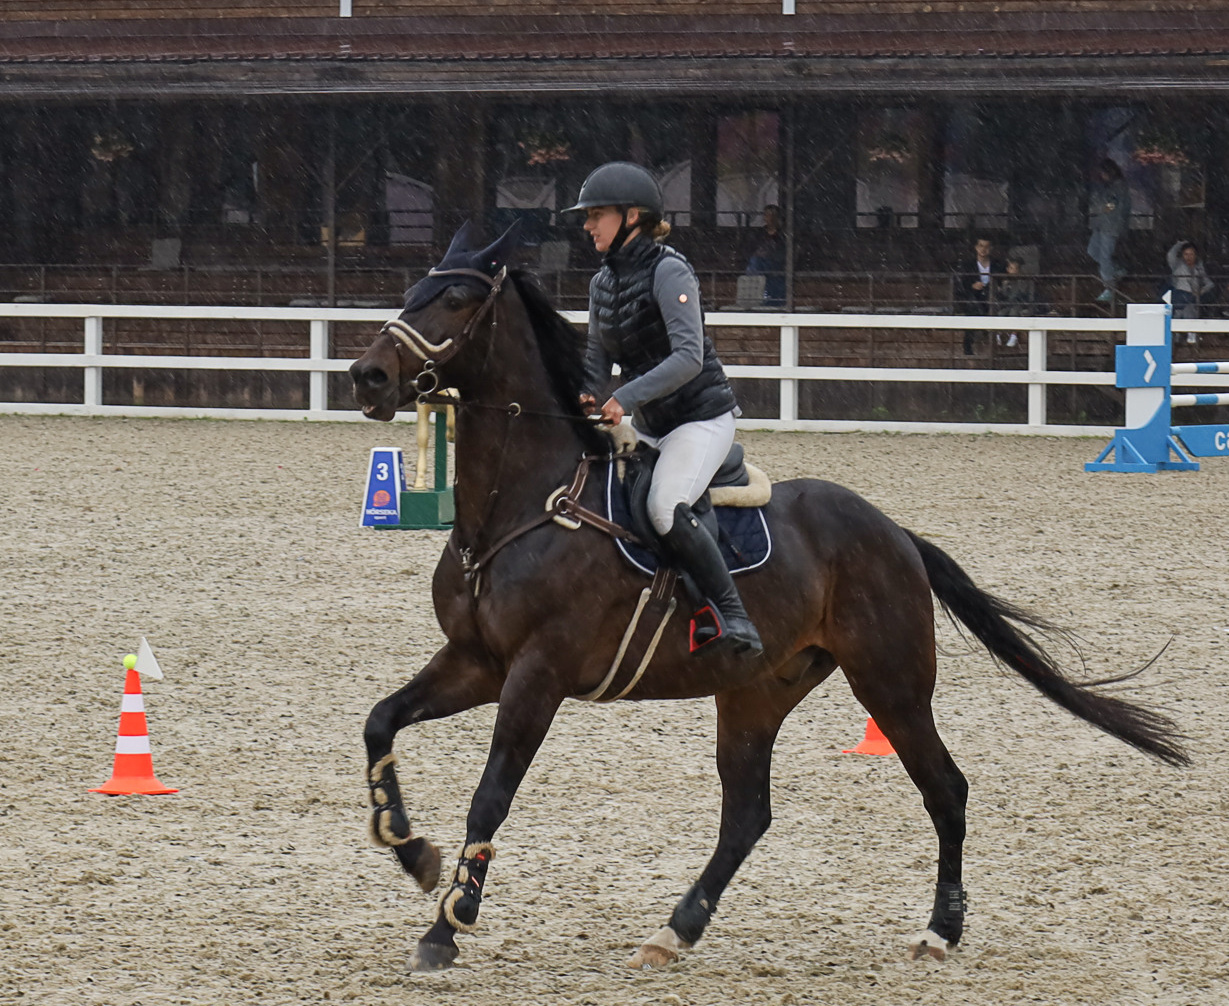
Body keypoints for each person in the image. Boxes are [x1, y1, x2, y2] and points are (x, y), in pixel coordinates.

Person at [566, 161, 763, 658]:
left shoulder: (670, 270)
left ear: (632, 216)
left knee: (663, 506)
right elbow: (597, 360)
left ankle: (733, 614)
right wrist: (588, 395)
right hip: (653, 425)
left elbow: (688, 357)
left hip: (701, 419)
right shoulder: (601, 283)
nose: (588, 225)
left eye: (597, 215)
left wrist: (624, 399)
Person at [1087, 158, 1131, 303]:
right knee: (1093, 251)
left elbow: (1112, 205)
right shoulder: (1109, 186)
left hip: (1111, 226)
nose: (1102, 175)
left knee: (1104, 256)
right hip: (1101, 225)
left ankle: (1109, 287)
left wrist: (1100, 209)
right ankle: (1116, 270)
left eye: (1103, 173)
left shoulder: (1118, 186)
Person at [953, 235, 1004, 355]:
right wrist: (972, 286)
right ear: (976, 247)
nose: (983, 249)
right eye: (981, 246)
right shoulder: (967, 265)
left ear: (991, 249)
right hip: (973, 296)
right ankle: (969, 345)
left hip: (992, 296)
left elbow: (1002, 281)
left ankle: (991, 336)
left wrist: (994, 286)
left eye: (987, 246)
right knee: (972, 309)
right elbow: (961, 284)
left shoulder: (997, 264)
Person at [1166, 239, 1215, 342]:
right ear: (1182, 255)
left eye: (1191, 254)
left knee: (1189, 310)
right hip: (1179, 296)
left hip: (1193, 298)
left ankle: (1187, 336)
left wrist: (1200, 291)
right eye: (1186, 254)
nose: (1188, 257)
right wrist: (1181, 243)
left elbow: (1210, 284)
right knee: (1180, 312)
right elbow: (1171, 254)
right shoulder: (1177, 265)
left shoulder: (1199, 268)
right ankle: (1181, 336)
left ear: (1195, 255)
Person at [744, 204, 786, 306]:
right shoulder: (759, 233)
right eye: (766, 215)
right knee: (755, 261)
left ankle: (769, 298)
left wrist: (770, 255)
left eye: (771, 215)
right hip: (760, 262)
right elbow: (751, 248)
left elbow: (783, 252)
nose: (768, 218)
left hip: (776, 263)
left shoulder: (783, 234)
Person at [997, 257, 1037, 348]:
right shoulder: (1006, 281)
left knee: (1014, 312)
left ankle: (1013, 335)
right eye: (1011, 268)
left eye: (1016, 268)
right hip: (1008, 304)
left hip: (1021, 304)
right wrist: (1005, 286)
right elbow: (1003, 295)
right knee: (1000, 313)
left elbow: (1026, 295)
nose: (1014, 271)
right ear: (1007, 269)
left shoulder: (1025, 281)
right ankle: (998, 334)